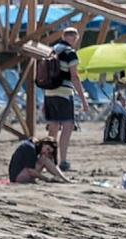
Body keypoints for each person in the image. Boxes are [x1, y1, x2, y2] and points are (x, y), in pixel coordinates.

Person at [39, 26, 87, 171]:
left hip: (49, 93)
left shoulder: (52, 51)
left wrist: (43, 99)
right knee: (68, 126)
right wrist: (83, 99)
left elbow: (46, 74)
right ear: (75, 38)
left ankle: (49, 160)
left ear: (63, 36)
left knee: (53, 127)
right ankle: (63, 161)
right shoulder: (70, 53)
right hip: (64, 93)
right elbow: (74, 77)